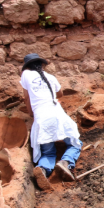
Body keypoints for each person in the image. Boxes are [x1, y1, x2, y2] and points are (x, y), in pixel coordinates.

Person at [20, 53, 82, 190]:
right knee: (75, 144)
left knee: (48, 152)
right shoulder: (51, 77)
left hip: (42, 119)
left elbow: (26, 98)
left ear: (27, 67)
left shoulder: (26, 75)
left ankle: (42, 169)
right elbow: (60, 95)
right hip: (59, 116)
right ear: (42, 65)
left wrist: (32, 113)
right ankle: (65, 162)